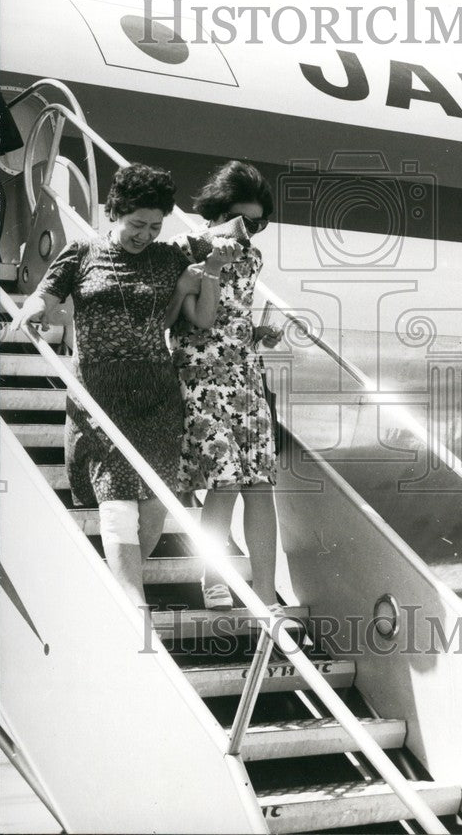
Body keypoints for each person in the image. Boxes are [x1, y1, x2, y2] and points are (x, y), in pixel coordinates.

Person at [10, 163, 221, 608]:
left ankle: (122, 591)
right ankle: (134, 604)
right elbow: (46, 293)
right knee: (116, 494)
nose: (145, 234)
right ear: (114, 213)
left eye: (155, 226)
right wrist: (31, 310)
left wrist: (207, 275)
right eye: (136, 224)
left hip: (157, 396)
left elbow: (208, 301)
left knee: (153, 507)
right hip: (99, 395)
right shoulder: (82, 253)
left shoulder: (169, 259)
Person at [168, 160, 283, 611]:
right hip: (199, 371)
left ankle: (267, 594)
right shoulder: (185, 247)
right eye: (242, 219)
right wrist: (210, 265)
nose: (249, 231)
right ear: (217, 210)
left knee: (261, 482)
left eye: (259, 223)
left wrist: (261, 333)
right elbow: (193, 317)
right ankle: (212, 576)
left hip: (245, 372)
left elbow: (235, 315)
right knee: (225, 479)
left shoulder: (253, 257)